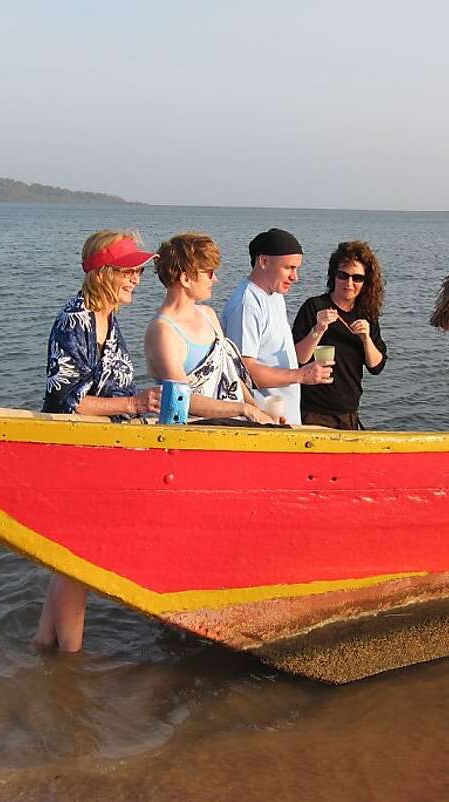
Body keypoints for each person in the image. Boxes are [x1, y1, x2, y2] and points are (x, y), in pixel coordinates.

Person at [35, 229, 162, 653]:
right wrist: (134, 401)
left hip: (101, 455)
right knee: (78, 562)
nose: (137, 279)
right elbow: (63, 400)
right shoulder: (76, 320)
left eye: (139, 271)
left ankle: (45, 647)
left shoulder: (109, 319)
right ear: (103, 272)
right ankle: (71, 661)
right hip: (77, 456)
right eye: (130, 270)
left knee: (69, 561)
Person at [145, 232, 274, 423]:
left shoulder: (208, 315)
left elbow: (230, 376)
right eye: (210, 273)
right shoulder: (163, 331)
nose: (215, 280)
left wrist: (257, 411)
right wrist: (244, 409)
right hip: (194, 432)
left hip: (235, 425)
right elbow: (181, 398)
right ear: (186, 278)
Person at [221, 228, 332, 425]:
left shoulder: (275, 296)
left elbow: (296, 357)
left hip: (285, 419)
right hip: (261, 421)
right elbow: (245, 372)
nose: (295, 277)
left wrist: (317, 330)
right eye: (289, 268)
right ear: (263, 261)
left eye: (296, 269)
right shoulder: (247, 304)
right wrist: (300, 375)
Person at [291, 240, 388, 429]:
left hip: (348, 412)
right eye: (343, 275)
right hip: (312, 410)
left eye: (357, 278)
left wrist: (366, 339)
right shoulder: (314, 307)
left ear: (365, 282)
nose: (349, 283)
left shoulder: (366, 315)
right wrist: (317, 329)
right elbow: (298, 358)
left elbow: (376, 366)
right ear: (333, 276)